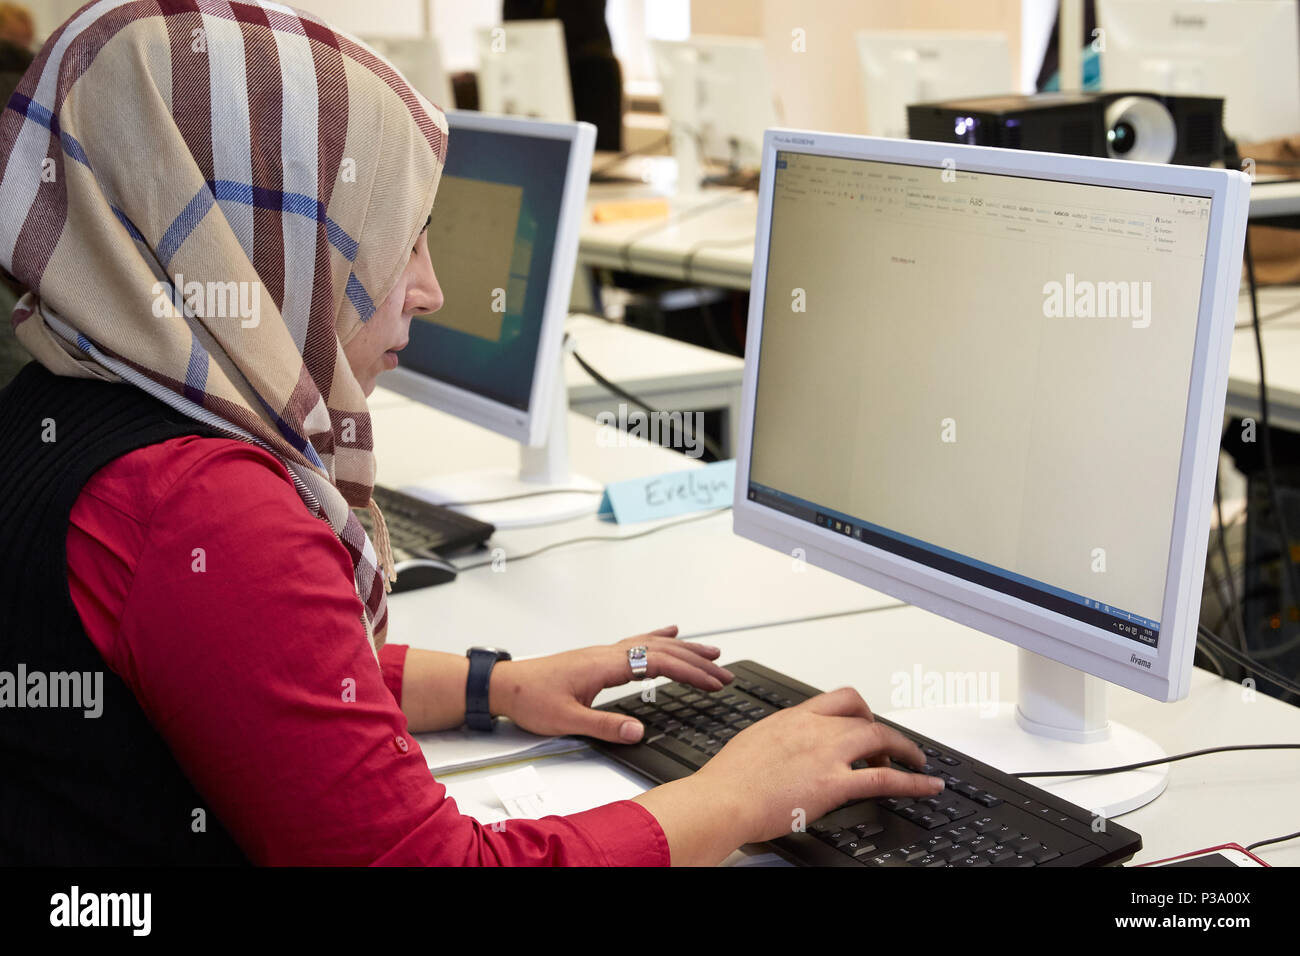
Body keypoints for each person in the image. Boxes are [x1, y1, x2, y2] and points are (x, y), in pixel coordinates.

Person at [0, 0, 941, 866]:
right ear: (263, 242)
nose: (429, 288)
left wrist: (498, 684)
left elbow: (250, 683)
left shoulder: (82, 391)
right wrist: (739, 795)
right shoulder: (205, 506)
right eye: (396, 237)